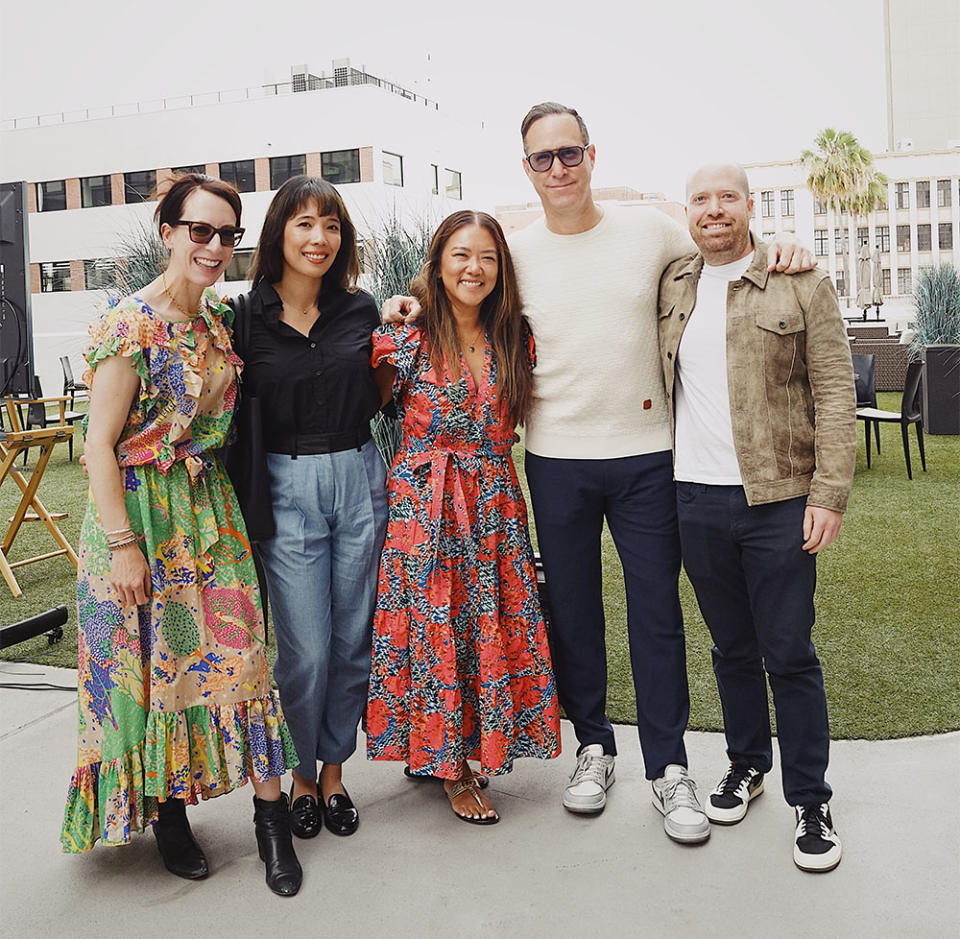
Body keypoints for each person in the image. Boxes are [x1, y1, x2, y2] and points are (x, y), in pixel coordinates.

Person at [384, 102, 814, 844]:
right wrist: (406, 302)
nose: (558, 168)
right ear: (526, 168)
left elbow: (723, 247)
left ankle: (668, 767)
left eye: (569, 153)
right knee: (575, 614)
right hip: (555, 461)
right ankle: (594, 747)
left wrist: (780, 247)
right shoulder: (514, 252)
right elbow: (463, 289)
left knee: (656, 614)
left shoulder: (648, 231)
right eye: (542, 158)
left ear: (591, 155)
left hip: (648, 456)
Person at [61, 173, 302, 896]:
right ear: (167, 231)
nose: (214, 245)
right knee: (153, 674)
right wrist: (123, 544)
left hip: (208, 512)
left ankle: (272, 822)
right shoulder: (128, 324)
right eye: (200, 230)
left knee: (244, 662)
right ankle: (168, 813)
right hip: (136, 518)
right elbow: (98, 445)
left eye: (227, 234)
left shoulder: (215, 324)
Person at [658, 162, 856, 872]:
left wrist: (829, 493)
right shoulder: (672, 282)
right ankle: (748, 764)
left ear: (749, 206)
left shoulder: (799, 280)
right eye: (701, 199)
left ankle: (811, 796)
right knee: (731, 649)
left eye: (727, 198)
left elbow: (834, 391)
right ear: (688, 210)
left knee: (790, 651)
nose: (714, 209)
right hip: (695, 500)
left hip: (778, 500)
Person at [366, 210, 561, 824]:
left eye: (487, 257)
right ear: (438, 262)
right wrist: (392, 314)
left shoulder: (516, 337)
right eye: (460, 255)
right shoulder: (406, 337)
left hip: (495, 505)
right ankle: (448, 766)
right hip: (424, 508)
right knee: (434, 630)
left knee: (488, 624)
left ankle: (466, 748)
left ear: (501, 269)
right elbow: (360, 407)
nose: (473, 268)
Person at [232, 176, 388, 842]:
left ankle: (333, 772)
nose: (318, 237)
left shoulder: (361, 309)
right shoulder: (245, 317)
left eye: (330, 225)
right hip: (285, 483)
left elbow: (381, 388)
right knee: (305, 648)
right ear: (279, 235)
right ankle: (298, 773)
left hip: (359, 473)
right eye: (303, 223)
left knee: (354, 638)